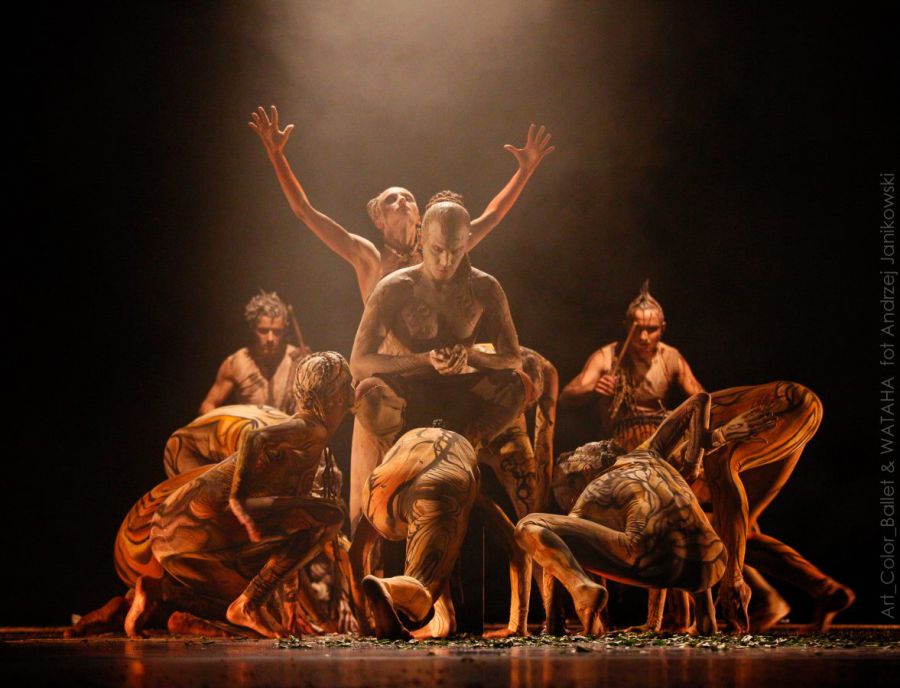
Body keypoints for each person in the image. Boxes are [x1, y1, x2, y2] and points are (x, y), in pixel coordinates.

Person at [124, 352, 355, 639]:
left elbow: (295, 534)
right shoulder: (311, 429)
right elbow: (254, 438)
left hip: (173, 533)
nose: (354, 389)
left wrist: (290, 605)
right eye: (349, 383)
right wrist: (239, 499)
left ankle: (160, 592)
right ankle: (249, 604)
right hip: (193, 518)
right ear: (336, 397)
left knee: (279, 546)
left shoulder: (308, 443)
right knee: (331, 514)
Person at [516, 393, 772, 636]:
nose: (564, 499)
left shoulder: (593, 492)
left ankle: (580, 589)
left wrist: (556, 623)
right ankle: (706, 619)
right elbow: (700, 400)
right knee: (676, 517)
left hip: (655, 562)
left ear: (583, 471)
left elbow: (556, 555)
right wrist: (696, 460)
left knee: (533, 528)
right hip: (712, 563)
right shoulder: (648, 453)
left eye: (563, 487)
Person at [249, 105, 554, 302]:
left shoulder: (441, 248)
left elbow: (493, 215)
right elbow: (305, 211)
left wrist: (524, 171)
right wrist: (277, 156)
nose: (401, 201)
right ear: (378, 221)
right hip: (386, 364)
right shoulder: (368, 257)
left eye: (408, 197)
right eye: (391, 200)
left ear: (420, 216)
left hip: (437, 357)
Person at [349, 197, 527, 457]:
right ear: (421, 238)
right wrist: (425, 360)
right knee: (368, 396)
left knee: (519, 385)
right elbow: (358, 363)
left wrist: (470, 355)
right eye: (437, 249)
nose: (445, 261)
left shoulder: (485, 287)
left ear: (466, 242)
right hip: (407, 392)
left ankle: (467, 446)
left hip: (462, 392)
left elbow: (514, 360)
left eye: (455, 251)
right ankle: (403, 451)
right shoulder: (394, 287)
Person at [355, 427, 480, 639]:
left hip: (378, 487)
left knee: (445, 615)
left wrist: (364, 619)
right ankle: (386, 586)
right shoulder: (466, 454)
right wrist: (518, 622)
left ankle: (416, 617)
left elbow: (357, 551)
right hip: (438, 483)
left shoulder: (413, 437)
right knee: (424, 588)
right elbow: (514, 547)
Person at [559, 281, 703, 450]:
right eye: (638, 329)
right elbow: (565, 398)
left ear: (662, 328)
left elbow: (703, 400)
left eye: (651, 329)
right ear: (627, 326)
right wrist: (594, 388)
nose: (643, 337)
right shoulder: (606, 357)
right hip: (615, 445)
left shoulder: (671, 358)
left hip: (659, 445)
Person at [199, 291, 309, 415]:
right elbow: (208, 405)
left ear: (284, 331)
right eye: (263, 331)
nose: (270, 338)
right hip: (252, 427)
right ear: (253, 329)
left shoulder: (300, 361)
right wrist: (225, 425)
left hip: (290, 426)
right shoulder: (236, 363)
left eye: (277, 332)